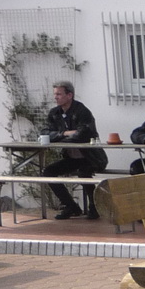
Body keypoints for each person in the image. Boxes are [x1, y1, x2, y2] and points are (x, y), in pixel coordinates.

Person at [43, 81, 107, 220]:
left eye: (59, 94)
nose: (55, 97)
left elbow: (82, 134)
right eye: (55, 94)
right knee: (48, 172)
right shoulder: (54, 113)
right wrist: (65, 133)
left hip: (91, 157)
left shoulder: (82, 111)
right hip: (72, 158)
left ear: (69, 95)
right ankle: (70, 206)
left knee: (83, 172)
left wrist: (58, 136)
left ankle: (94, 206)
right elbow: (45, 133)